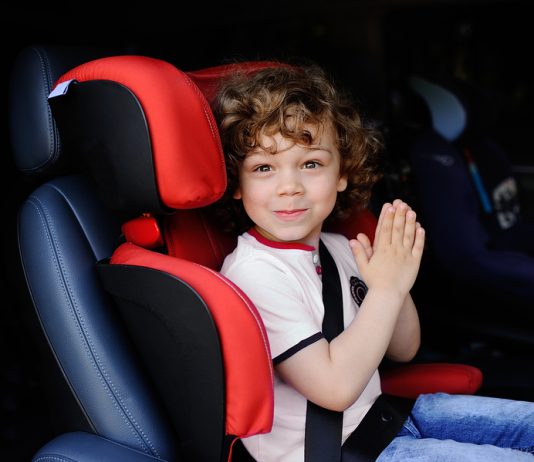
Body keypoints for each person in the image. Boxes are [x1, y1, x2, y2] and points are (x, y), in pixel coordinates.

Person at [213, 62, 534, 461]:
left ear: (342, 173)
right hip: (336, 450)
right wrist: (384, 290)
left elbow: (404, 348)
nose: (290, 186)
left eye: (311, 163)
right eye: (263, 168)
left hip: (385, 418)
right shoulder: (256, 273)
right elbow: (334, 388)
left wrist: (396, 284)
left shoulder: (341, 247)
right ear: (237, 185)